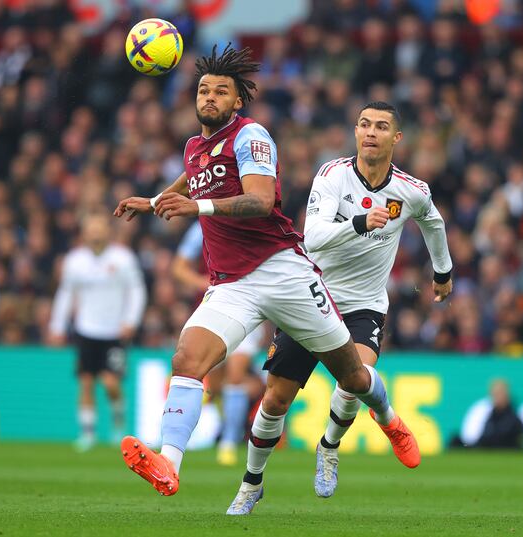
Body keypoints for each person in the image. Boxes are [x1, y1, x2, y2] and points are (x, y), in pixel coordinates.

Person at [113, 45, 411, 501]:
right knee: (187, 359)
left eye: (221, 92)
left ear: (237, 102)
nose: (209, 97)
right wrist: (154, 201)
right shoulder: (195, 146)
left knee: (352, 378)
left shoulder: (252, 137)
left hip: (283, 273)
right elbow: (194, 175)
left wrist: (197, 207)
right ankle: (168, 464)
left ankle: (387, 416)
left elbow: (260, 200)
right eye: (203, 90)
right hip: (232, 284)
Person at [227, 102, 454, 513]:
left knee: (357, 378)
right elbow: (311, 238)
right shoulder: (332, 175)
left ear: (395, 138)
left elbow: (433, 224)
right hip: (311, 297)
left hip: (364, 303)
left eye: (381, 127)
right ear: (355, 132)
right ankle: (251, 483)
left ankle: (328, 448)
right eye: (364, 124)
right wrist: (360, 224)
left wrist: (442, 272)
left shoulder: (412, 190)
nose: (371, 132)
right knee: (275, 400)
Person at [47, 210, 147, 451]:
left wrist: (131, 320)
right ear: (84, 232)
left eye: (99, 227)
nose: (95, 232)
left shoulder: (123, 258)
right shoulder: (75, 260)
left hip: (114, 331)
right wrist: (57, 325)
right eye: (91, 228)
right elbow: (65, 293)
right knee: (86, 381)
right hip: (86, 329)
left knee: (111, 383)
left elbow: (136, 290)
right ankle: (87, 433)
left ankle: (118, 423)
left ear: (107, 230)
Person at [172, 221, 266, 466]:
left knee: (236, 372)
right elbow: (179, 268)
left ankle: (229, 441)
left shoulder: (258, 221)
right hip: (215, 309)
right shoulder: (200, 228)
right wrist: (205, 283)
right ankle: (220, 428)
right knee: (216, 382)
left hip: (249, 306)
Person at [475, 379, 523, 450]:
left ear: (507, 395)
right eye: (494, 394)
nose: (497, 398)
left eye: (499, 394)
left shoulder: (514, 421)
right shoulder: (490, 418)